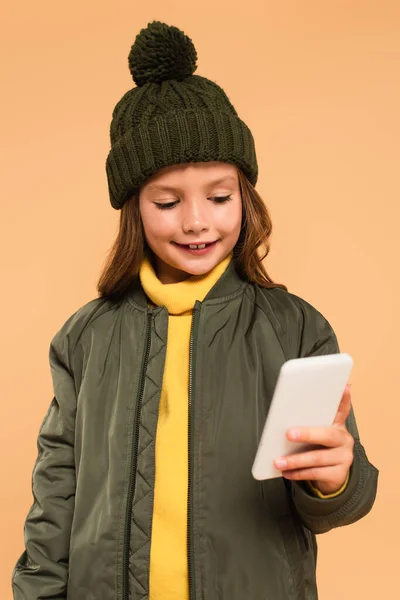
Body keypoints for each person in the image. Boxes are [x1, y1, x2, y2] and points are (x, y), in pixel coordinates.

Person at [12, 20, 378, 600]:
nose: (196, 222)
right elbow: (56, 493)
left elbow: (331, 506)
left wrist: (336, 482)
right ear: (133, 207)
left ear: (246, 198)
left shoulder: (296, 329)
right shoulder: (85, 336)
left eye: (219, 196)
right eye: (166, 201)